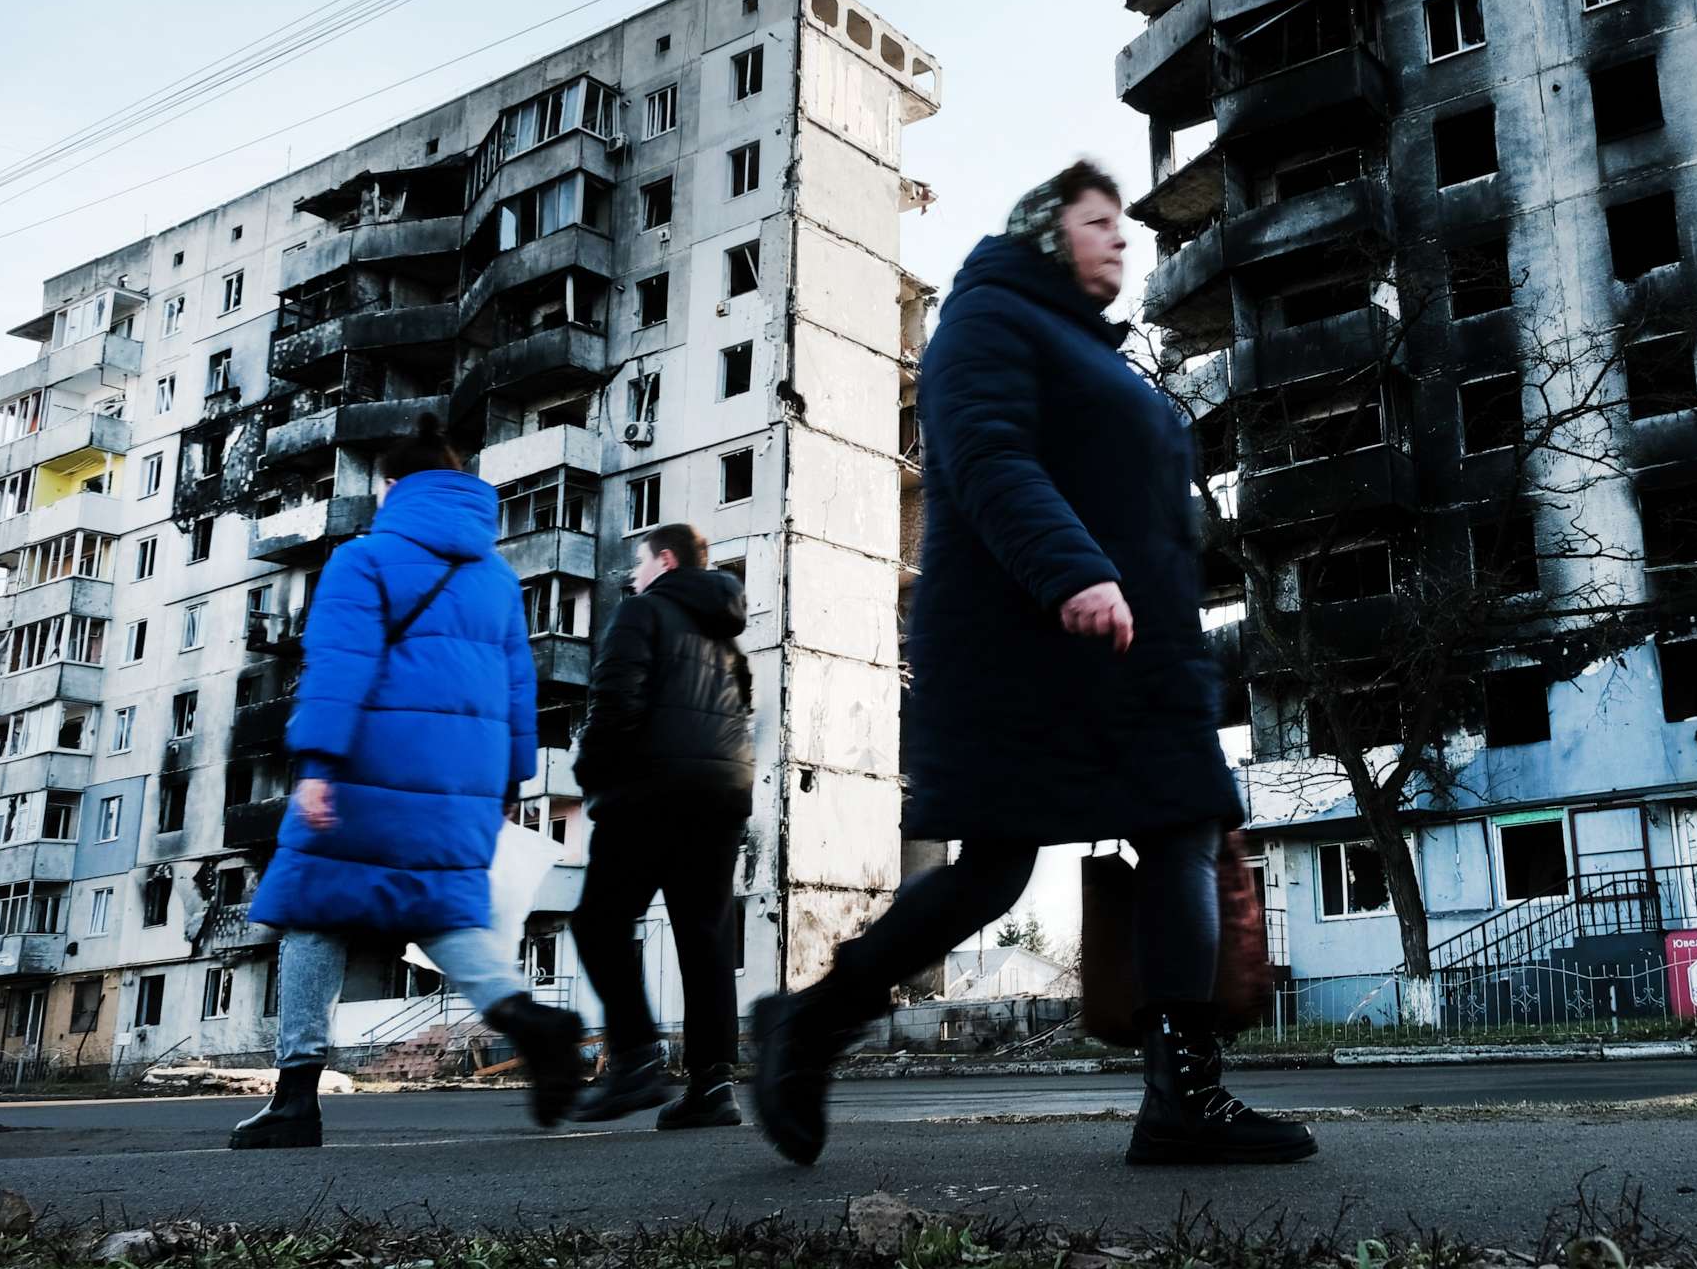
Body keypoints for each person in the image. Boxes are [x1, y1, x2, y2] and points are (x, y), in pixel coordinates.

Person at [749, 160, 1315, 1168]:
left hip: (1130, 659)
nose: (1121, 237)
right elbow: (982, 451)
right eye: (1098, 220)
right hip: (1030, 647)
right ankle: (813, 1019)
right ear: (1047, 233)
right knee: (994, 876)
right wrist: (1073, 573)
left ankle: (1184, 1095)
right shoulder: (987, 318)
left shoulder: (1091, 349)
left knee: (1179, 831)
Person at [231, 415, 584, 1149]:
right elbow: (521, 686)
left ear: (395, 486)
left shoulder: (366, 559)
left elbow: (338, 665)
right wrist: (512, 780)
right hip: (465, 780)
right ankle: (529, 1020)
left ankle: (296, 1097)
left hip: (370, 763)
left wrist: (320, 764)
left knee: (314, 912)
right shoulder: (494, 577)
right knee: (441, 914)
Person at [565, 522, 756, 1129]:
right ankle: (712, 1086)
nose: (632, 577)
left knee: (599, 921)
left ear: (666, 561)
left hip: (649, 792)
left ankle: (636, 1060)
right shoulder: (727, 638)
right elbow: (741, 714)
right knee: (706, 938)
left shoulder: (641, 613)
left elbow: (615, 701)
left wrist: (591, 775)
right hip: (722, 796)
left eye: (639, 565)